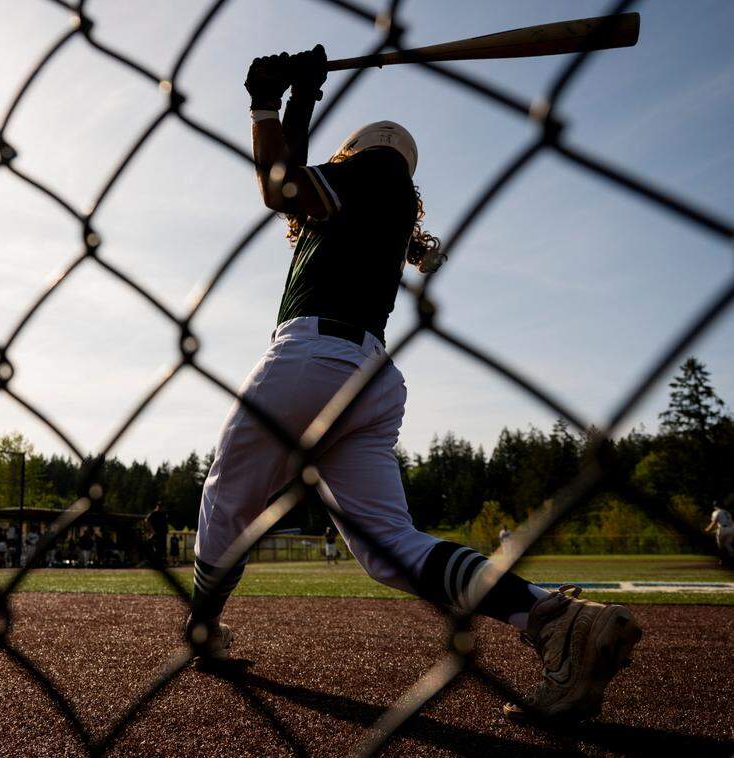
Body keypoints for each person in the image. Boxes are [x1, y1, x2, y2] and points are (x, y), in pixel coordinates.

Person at [184, 46, 641, 725]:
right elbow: (298, 189)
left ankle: (205, 627)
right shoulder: (383, 207)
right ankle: (549, 617)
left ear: (359, 153)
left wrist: (262, 103)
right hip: (367, 377)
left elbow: (280, 187)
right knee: (393, 548)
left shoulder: (372, 171)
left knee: (226, 499)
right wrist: (301, 103)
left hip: (310, 358)